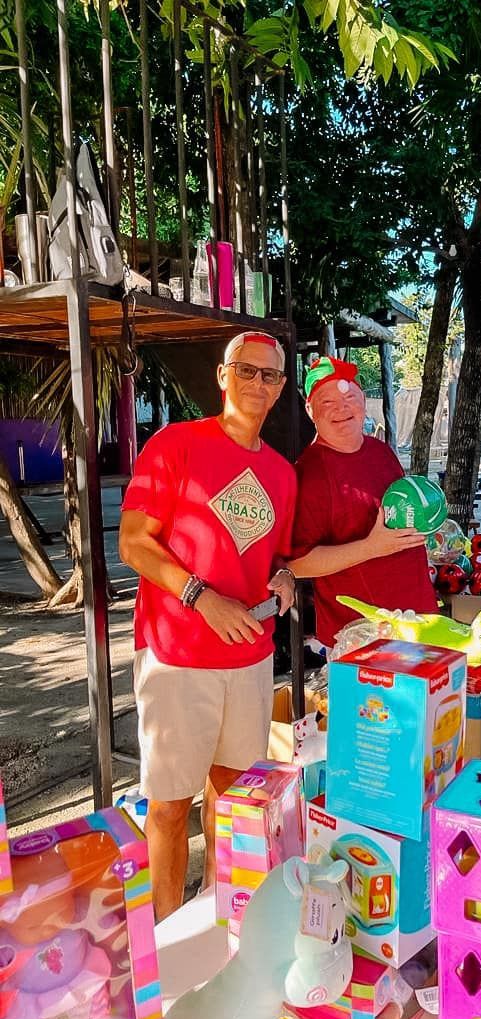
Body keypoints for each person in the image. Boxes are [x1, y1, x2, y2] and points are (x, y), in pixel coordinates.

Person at [119, 330, 296, 920]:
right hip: (177, 658)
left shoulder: (281, 473)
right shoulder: (176, 444)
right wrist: (201, 596)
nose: (258, 384)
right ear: (223, 376)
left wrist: (285, 583)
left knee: (231, 799)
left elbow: (274, 559)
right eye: (247, 371)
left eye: (270, 376)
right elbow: (133, 544)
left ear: (280, 389)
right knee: (169, 807)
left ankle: (217, 915)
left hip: (249, 660)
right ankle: (166, 934)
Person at [289, 356, 438, 649]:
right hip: (362, 638)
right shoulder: (309, 474)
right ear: (310, 411)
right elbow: (297, 564)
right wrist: (371, 547)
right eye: (327, 401)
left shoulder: (380, 451)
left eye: (349, 397)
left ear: (363, 401)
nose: (341, 408)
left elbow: (396, 518)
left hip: (418, 621)